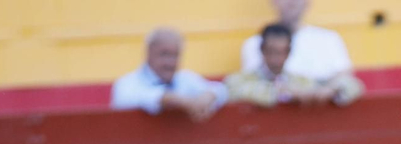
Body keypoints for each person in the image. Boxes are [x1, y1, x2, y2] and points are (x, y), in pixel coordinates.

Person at [226, 22, 363, 108]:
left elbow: (354, 85)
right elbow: (235, 90)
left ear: (288, 53)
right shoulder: (239, 80)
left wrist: (330, 90)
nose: (276, 59)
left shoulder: (300, 81)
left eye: (281, 52)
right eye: (272, 51)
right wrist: (284, 93)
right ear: (262, 50)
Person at [111, 27, 227, 121]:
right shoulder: (127, 83)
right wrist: (182, 101)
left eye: (175, 55)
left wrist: (209, 95)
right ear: (148, 53)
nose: (170, 62)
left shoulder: (185, 78)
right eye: (164, 54)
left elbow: (221, 90)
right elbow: (140, 98)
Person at [239, 0, 353, 84]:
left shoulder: (330, 40)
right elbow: (253, 84)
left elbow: (344, 79)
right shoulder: (253, 44)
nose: (292, 2)